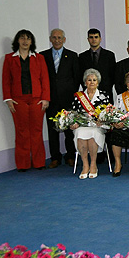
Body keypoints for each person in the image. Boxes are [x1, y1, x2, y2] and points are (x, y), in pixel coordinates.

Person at [2, 29, 50, 171]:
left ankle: (39, 162)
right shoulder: (9, 58)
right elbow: (6, 80)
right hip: (18, 100)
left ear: (31, 42)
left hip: (37, 100)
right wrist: (8, 99)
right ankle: (22, 164)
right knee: (21, 131)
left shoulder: (39, 58)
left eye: (28, 38)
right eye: (22, 38)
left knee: (36, 131)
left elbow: (45, 79)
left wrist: (45, 98)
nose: (25, 41)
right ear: (17, 41)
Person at [40, 28, 80, 168]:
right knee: (52, 129)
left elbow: (76, 78)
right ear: (50, 39)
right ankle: (55, 157)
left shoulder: (72, 56)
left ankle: (70, 156)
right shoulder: (42, 56)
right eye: (54, 38)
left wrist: (70, 93)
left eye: (59, 38)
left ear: (64, 40)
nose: (57, 40)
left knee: (69, 129)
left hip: (67, 99)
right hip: (50, 99)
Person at [70, 69, 110, 179]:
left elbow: (107, 113)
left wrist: (101, 121)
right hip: (82, 125)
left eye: (94, 80)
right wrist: (74, 123)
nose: (92, 82)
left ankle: (93, 164)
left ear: (98, 82)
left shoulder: (104, 95)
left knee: (93, 134)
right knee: (79, 133)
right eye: (89, 80)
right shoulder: (78, 96)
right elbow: (74, 113)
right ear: (85, 82)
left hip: (98, 126)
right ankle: (85, 165)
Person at [78, 28, 116, 103]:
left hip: (106, 93)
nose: (94, 39)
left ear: (100, 39)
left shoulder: (109, 55)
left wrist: (106, 87)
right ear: (88, 39)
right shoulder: (82, 56)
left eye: (96, 37)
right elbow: (80, 75)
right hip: (88, 94)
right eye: (91, 37)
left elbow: (113, 75)